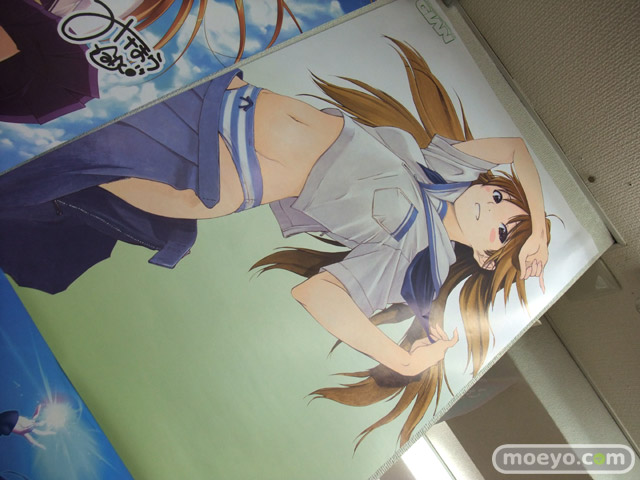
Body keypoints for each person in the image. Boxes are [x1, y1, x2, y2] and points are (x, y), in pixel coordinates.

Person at [0, 38, 550, 445]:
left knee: (43, 131)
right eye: (503, 198)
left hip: (210, 166)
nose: (494, 207)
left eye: (504, 232)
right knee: (51, 66)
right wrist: (538, 232)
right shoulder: (439, 171)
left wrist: (400, 362)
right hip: (221, 98)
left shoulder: (414, 255)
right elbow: (516, 150)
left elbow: (318, 294)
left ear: (484, 256)